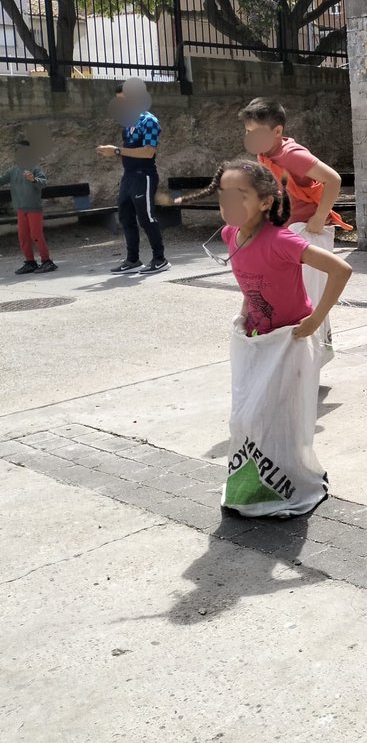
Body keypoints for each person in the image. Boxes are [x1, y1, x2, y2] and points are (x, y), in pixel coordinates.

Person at [189, 160, 351, 518]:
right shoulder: (230, 235)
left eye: (239, 196)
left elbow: (341, 269)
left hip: (290, 342)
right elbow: (251, 281)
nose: (229, 204)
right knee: (246, 418)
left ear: (265, 202)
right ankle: (259, 483)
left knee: (279, 419)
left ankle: (291, 484)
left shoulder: (281, 240)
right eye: (223, 196)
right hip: (257, 340)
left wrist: (315, 320)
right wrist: (245, 311)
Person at [237, 98, 348, 361]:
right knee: (290, 296)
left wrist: (319, 217)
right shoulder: (266, 153)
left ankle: (311, 357)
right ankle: (297, 357)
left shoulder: (291, 154)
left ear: (277, 131)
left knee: (308, 299)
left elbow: (333, 179)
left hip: (308, 232)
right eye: (248, 132)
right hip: (289, 232)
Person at [98, 87, 169, 274]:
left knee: (146, 217)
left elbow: (148, 152)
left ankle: (160, 259)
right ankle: (132, 260)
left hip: (144, 175)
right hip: (128, 175)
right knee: (125, 217)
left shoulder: (149, 121)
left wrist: (116, 150)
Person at [1, 139, 55, 274]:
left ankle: (47, 261)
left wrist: (33, 179)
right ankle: (30, 262)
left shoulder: (35, 168)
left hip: (34, 208)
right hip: (20, 209)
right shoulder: (12, 171)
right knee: (23, 236)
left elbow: (43, 183)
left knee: (36, 234)